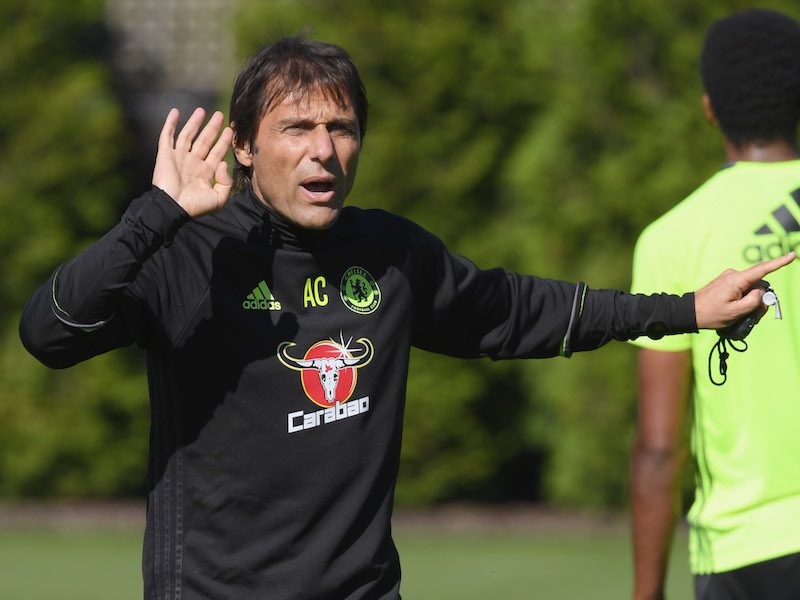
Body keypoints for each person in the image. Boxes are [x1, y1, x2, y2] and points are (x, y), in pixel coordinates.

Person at [19, 36, 792, 599]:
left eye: (342, 128)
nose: (324, 151)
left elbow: (521, 310)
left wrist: (686, 310)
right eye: (297, 129)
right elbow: (48, 332)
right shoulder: (193, 254)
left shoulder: (390, 254)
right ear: (246, 148)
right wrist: (155, 214)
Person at [629, 9, 800, 600]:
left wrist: (647, 593)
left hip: (747, 551)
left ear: (710, 109)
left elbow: (659, 449)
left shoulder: (672, 238)